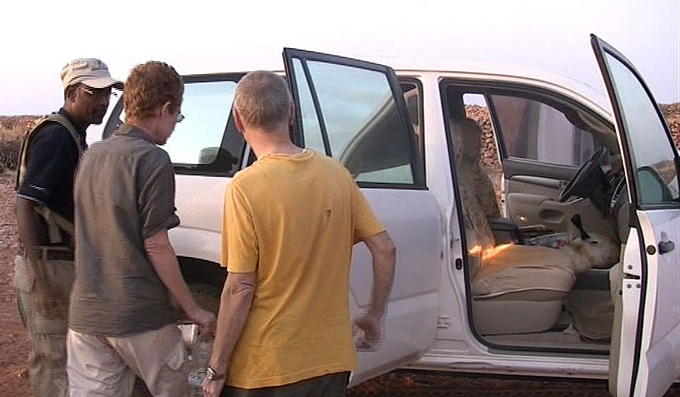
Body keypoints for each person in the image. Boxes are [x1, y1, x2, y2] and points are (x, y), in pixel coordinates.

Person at [203, 71, 397, 397]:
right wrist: (375, 314)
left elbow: (240, 287)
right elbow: (385, 249)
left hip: (267, 367)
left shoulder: (245, 188)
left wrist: (217, 367)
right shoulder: (336, 174)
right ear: (291, 113)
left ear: (238, 120)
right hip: (331, 362)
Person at [66, 61, 215, 397]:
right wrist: (192, 309)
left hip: (87, 316)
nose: (175, 125)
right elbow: (156, 245)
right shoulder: (152, 159)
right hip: (139, 316)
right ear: (164, 108)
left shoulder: (92, 156)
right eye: (177, 116)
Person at [13, 58, 122, 397]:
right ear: (73, 92)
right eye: (94, 93)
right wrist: (41, 279)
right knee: (53, 358)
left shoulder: (72, 135)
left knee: (65, 357)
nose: (103, 102)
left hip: (60, 262)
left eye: (108, 93)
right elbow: (25, 204)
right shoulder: (58, 137)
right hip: (49, 264)